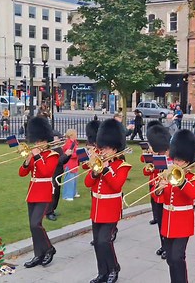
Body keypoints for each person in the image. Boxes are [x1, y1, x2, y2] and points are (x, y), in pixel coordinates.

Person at [85, 119, 131, 283]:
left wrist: (105, 169)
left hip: (111, 208)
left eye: (106, 148)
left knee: (105, 241)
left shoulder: (122, 166)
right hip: (97, 208)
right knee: (98, 242)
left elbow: (117, 185)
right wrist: (95, 172)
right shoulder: (99, 163)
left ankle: (113, 268)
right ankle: (102, 272)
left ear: (115, 148)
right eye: (102, 147)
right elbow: (87, 183)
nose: (102, 151)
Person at [157, 129, 195, 283]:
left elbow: (194, 193)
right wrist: (159, 189)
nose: (176, 163)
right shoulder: (168, 174)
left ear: (188, 160)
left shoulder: (194, 178)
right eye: (175, 159)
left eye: (180, 160)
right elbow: (160, 197)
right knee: (170, 258)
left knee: (177, 257)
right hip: (168, 221)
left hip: (183, 222)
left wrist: (181, 181)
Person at [19, 117, 59, 268]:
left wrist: (37, 156)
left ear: (46, 141)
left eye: (40, 141)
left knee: (36, 224)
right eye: (35, 141)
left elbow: (46, 171)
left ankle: (49, 248)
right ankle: (38, 254)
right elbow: (22, 173)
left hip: (44, 192)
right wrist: (28, 160)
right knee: (32, 225)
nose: (37, 144)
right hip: (32, 192)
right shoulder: (35, 155)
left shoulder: (52, 155)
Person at [145, 124, 172, 260]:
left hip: (167, 195)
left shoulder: (173, 157)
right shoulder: (156, 155)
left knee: (166, 222)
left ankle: (168, 246)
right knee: (160, 221)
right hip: (157, 193)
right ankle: (163, 244)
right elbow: (146, 171)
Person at [46, 131, 70, 221]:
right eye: (57, 138)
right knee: (53, 193)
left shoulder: (58, 148)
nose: (59, 139)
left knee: (57, 193)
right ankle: (49, 212)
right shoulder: (51, 149)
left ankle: (53, 209)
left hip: (59, 173)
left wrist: (68, 156)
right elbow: (57, 161)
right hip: (53, 173)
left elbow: (63, 161)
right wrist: (65, 155)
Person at [61, 129, 79, 201]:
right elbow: (69, 154)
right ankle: (67, 195)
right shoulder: (68, 143)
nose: (76, 135)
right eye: (75, 134)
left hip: (74, 163)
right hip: (69, 163)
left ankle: (74, 193)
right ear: (71, 135)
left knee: (74, 179)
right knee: (69, 180)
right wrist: (78, 154)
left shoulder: (74, 142)